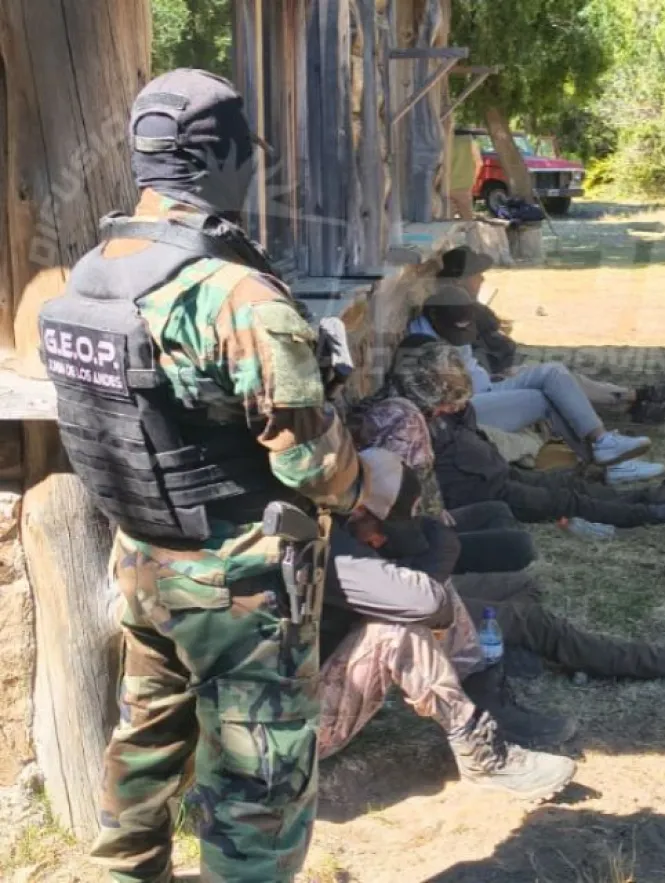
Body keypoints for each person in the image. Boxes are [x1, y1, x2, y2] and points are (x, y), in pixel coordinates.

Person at [38, 69, 406, 883]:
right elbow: (309, 460)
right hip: (238, 583)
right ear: (223, 157)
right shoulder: (235, 291)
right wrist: (374, 480)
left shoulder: (91, 273)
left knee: (144, 752)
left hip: (143, 561)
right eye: (250, 153)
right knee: (256, 795)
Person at [356, 397, 665, 684]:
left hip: (409, 585)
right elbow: (425, 589)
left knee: (526, 583)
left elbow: (424, 549)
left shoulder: (361, 512)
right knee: (534, 620)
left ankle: (531, 650)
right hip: (399, 613)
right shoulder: (349, 556)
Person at [318, 473, 580, 786]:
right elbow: (423, 601)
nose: (379, 542)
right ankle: (481, 756)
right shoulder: (324, 547)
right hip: (289, 737)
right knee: (399, 626)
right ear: (357, 511)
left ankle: (488, 706)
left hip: (291, 710)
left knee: (430, 595)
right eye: (380, 531)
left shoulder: (322, 529)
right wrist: (439, 550)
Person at [385, 342, 665, 529]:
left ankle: (651, 496)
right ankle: (664, 512)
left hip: (498, 475)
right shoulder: (407, 430)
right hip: (485, 496)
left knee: (569, 485)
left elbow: (472, 435)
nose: (453, 407)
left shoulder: (446, 412)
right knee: (566, 501)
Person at [408, 282, 665, 486]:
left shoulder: (446, 321)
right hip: (466, 410)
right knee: (541, 400)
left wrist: (497, 378)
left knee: (553, 372)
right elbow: (447, 400)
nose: (460, 337)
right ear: (433, 318)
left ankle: (602, 441)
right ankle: (609, 463)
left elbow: (470, 366)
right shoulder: (422, 347)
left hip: (487, 388)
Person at [436, 245, 665, 424]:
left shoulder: (453, 308)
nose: (482, 279)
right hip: (485, 389)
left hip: (490, 379)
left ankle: (635, 400)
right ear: (461, 280)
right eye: (476, 274)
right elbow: (474, 356)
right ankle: (636, 400)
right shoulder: (455, 313)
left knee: (565, 377)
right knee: (558, 382)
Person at [352, 396, 537, 574]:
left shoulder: (382, 461)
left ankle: (489, 574)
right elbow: (401, 540)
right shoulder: (380, 478)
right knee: (519, 546)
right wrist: (441, 536)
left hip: (423, 528)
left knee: (499, 512)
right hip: (417, 554)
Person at [449, 129, 481, 219]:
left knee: (446, 219)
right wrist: (473, 180)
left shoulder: (445, 140)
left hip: (445, 185)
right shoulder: (470, 142)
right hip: (464, 184)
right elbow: (479, 162)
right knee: (467, 218)